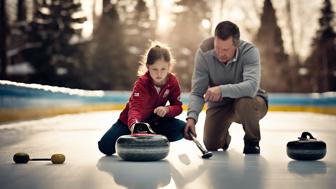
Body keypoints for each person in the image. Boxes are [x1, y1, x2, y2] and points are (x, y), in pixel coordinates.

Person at [184, 21, 268, 154]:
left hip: (250, 102)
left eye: (225, 50)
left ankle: (252, 141)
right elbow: (197, 92)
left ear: (236, 44)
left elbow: (251, 87)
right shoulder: (204, 52)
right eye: (217, 48)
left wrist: (221, 90)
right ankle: (224, 139)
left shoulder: (250, 51)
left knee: (245, 101)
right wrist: (191, 117)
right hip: (220, 104)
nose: (220, 53)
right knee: (211, 144)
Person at [98, 42, 185, 156]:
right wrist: (135, 125)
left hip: (155, 122)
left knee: (181, 129)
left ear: (169, 66)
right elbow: (135, 109)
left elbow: (178, 107)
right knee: (105, 147)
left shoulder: (172, 81)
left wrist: (167, 109)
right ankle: (145, 138)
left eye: (163, 69)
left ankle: (149, 136)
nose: (159, 73)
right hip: (130, 123)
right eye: (154, 69)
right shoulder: (142, 83)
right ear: (148, 67)